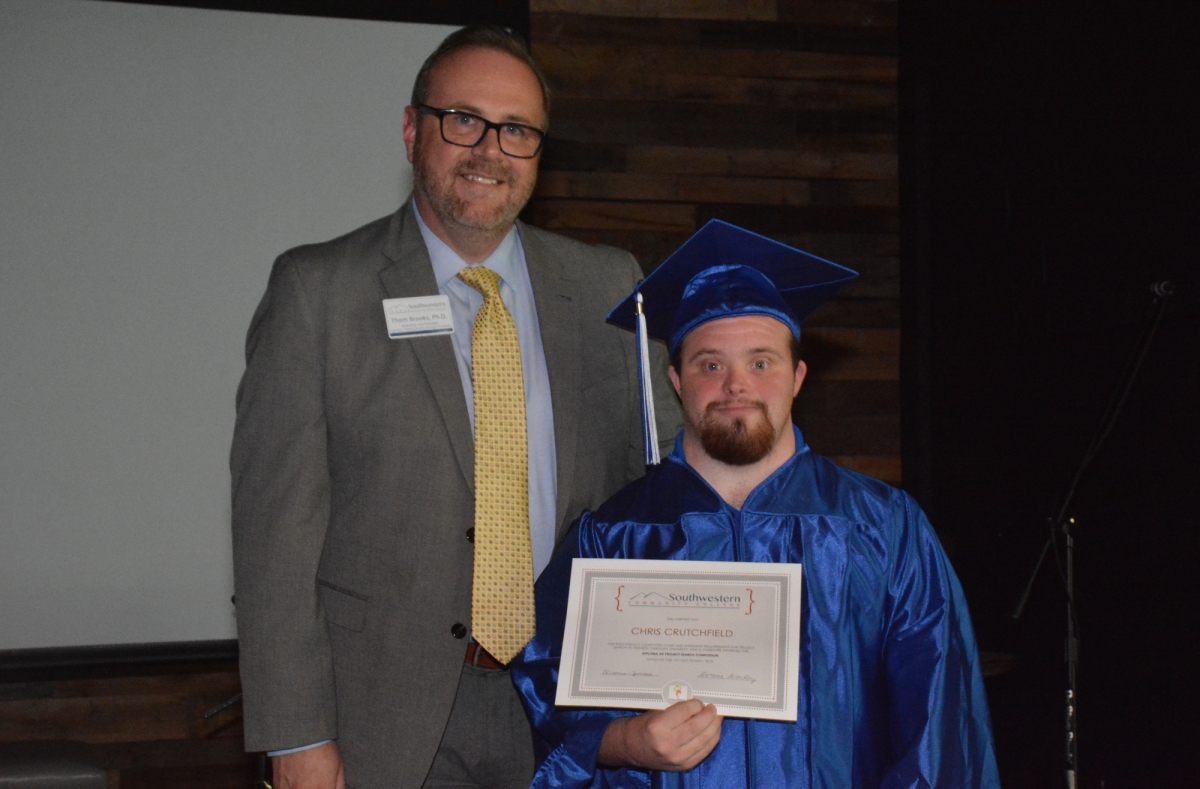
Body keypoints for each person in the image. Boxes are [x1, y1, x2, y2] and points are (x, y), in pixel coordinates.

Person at [230, 25, 680, 789]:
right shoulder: (319, 292)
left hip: (575, 712)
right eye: (463, 120)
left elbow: (668, 488)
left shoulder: (609, 289)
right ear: (413, 130)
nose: (489, 150)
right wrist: (296, 735)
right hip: (384, 722)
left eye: (517, 131)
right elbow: (274, 544)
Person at [511, 221, 1000, 788]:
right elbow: (545, 688)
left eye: (761, 363)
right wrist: (623, 743)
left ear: (797, 378)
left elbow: (937, 733)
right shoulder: (612, 537)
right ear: (675, 380)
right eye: (710, 364)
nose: (735, 385)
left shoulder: (882, 529)